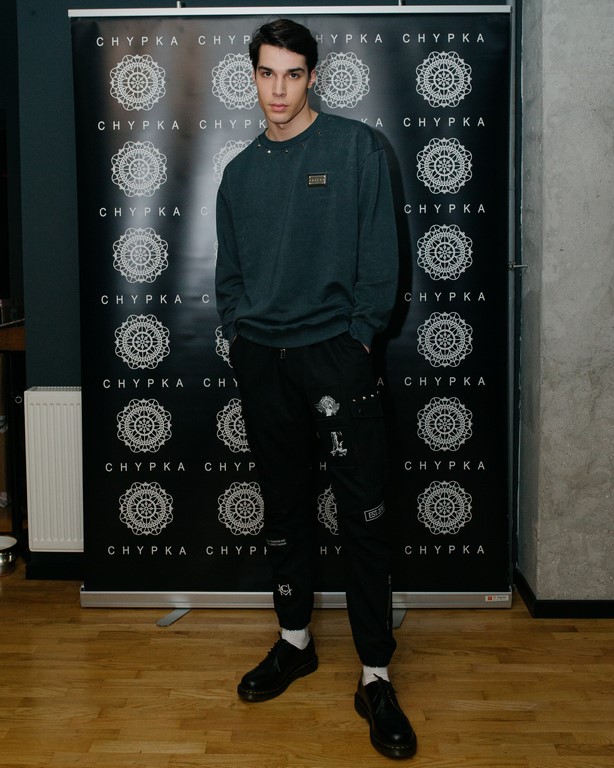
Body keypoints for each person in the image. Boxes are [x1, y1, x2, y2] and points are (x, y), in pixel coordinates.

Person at [215, 18, 417, 760]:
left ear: (312, 77)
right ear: (253, 77)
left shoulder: (356, 148)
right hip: (264, 361)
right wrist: (241, 335)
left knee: (363, 517)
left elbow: (382, 259)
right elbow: (230, 275)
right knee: (286, 508)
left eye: (292, 74)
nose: (279, 89)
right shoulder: (238, 173)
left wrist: (358, 339)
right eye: (267, 73)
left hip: (336, 355)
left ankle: (375, 676)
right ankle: (295, 641)